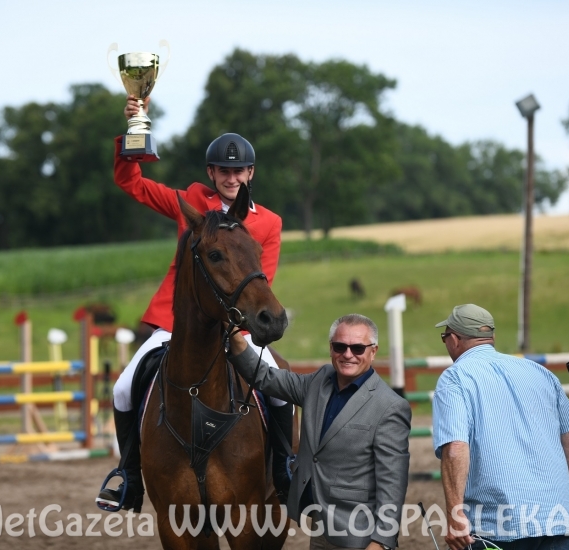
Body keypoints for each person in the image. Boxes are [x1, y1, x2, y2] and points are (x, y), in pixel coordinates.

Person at [97, 95, 293, 511]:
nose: (231, 177)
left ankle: (285, 469)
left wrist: (238, 329)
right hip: (175, 322)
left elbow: (263, 280)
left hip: (236, 324)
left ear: (250, 173)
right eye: (224, 171)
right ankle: (129, 476)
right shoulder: (191, 203)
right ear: (211, 172)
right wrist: (134, 129)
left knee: (278, 386)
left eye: (238, 171)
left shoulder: (268, 222)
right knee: (122, 388)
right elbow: (132, 183)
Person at [227, 314, 411, 550]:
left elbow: (393, 483)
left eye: (357, 348)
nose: (348, 354)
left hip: (360, 537)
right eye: (340, 346)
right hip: (320, 527)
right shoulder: (320, 380)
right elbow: (266, 377)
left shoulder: (390, 407)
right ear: (331, 348)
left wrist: (381, 542)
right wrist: (234, 335)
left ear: (373, 351)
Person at [432, 304, 569, 550]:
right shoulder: (540, 372)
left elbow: (456, 448)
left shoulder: (454, 378)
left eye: (444, 337)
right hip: (557, 520)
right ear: (490, 337)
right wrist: (561, 503)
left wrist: (455, 516)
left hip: (496, 526)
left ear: (454, 339)